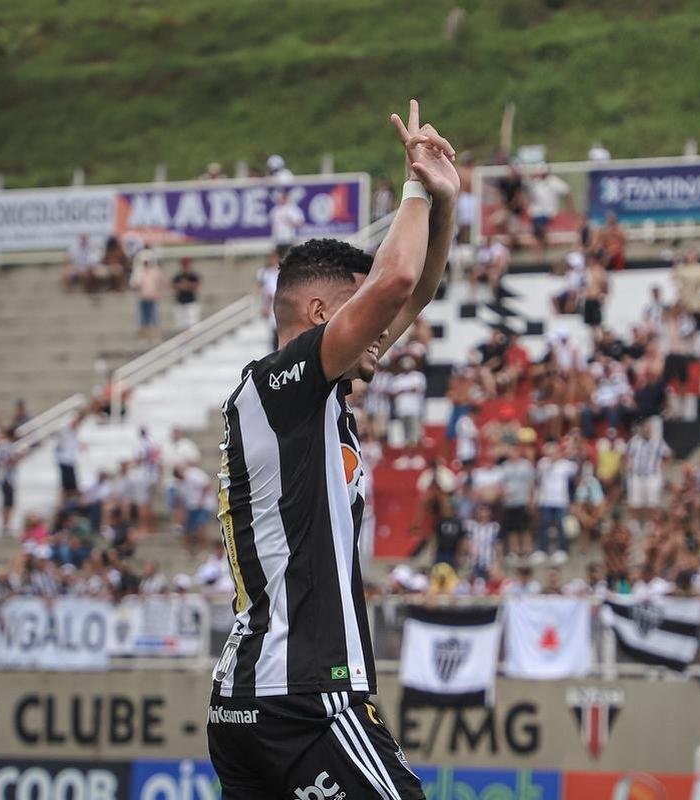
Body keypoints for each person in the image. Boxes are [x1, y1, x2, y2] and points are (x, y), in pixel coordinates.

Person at [205, 100, 457, 799]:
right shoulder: (279, 386)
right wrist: (412, 185)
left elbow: (417, 291)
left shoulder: (305, 402)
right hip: (306, 701)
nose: (380, 331)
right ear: (321, 318)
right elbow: (396, 283)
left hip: (246, 704)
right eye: (359, 312)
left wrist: (445, 202)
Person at [132, 249, 165, 343]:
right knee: (143, 318)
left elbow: (160, 283)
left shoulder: (156, 271)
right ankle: (143, 337)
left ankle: (156, 336)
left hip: (153, 297)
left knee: (155, 318)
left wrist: (158, 293)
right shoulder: (139, 272)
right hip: (143, 298)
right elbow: (134, 284)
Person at [270, 189, 306, 256]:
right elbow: (272, 224)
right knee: (279, 259)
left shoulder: (293, 209)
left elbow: (300, 223)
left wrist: (289, 222)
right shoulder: (275, 210)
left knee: (289, 257)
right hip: (278, 239)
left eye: (284, 197)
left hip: (289, 238)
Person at [172, 257, 203, 331]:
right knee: (181, 326)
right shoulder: (178, 276)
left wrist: (187, 285)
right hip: (180, 302)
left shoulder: (193, 276)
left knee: (193, 325)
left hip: (191, 303)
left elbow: (196, 287)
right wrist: (185, 286)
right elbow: (174, 286)